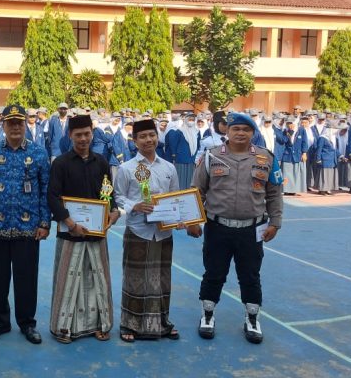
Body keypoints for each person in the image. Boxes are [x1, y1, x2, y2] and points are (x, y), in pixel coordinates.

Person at [187, 113, 283, 344]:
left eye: (246, 129)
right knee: (213, 273)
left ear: (253, 132)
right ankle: (207, 315)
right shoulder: (211, 157)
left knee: (250, 275)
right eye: (235, 128)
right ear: (226, 131)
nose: (240, 133)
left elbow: (274, 193)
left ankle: (252, 319)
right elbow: (196, 191)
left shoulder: (266, 158)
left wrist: (275, 222)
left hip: (252, 229)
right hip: (217, 227)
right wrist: (192, 221)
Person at [0, 105, 51, 345]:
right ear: (3, 125)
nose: (15, 127)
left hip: (28, 227)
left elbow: (45, 189)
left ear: (25, 124)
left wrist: (44, 222)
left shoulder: (39, 153)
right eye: (10, 123)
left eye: (19, 122)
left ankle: (27, 324)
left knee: (26, 279)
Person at [47, 114, 120, 344]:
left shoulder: (102, 162)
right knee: (68, 280)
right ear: (70, 135)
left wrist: (114, 211)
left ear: (92, 133)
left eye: (87, 133)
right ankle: (63, 328)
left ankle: (101, 325)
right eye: (78, 134)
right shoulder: (60, 163)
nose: (83, 138)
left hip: (97, 233)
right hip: (70, 232)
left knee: (98, 279)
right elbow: (52, 197)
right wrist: (70, 223)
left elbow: (108, 195)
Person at [114, 119, 181, 342]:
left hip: (163, 232)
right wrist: (135, 205)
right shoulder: (127, 168)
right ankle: (129, 325)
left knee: (162, 277)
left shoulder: (169, 168)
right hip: (138, 230)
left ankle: (162, 322)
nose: (148, 140)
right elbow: (118, 197)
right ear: (134, 141)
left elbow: (175, 198)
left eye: (151, 135)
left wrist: (180, 218)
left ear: (157, 136)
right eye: (142, 136)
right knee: (135, 277)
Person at [165, 113, 199, 189]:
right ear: (185, 120)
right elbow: (174, 144)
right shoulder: (179, 131)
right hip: (180, 159)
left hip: (192, 159)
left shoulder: (197, 132)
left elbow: (198, 145)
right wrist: (174, 155)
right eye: (189, 119)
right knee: (180, 180)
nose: (191, 121)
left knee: (190, 180)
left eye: (193, 120)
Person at [279, 117, 309, 195]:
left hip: (297, 154)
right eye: (288, 123)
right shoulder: (285, 131)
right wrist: (290, 132)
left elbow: (304, 142)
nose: (290, 125)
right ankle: (286, 190)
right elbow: (283, 141)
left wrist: (304, 153)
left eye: (291, 123)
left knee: (296, 173)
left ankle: (294, 190)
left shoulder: (301, 130)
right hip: (287, 154)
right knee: (286, 173)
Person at [314, 123, 339, 195]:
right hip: (325, 159)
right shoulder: (322, 138)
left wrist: (341, 156)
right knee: (324, 175)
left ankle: (327, 189)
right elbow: (319, 149)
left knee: (330, 176)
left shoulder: (334, 138)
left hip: (332, 159)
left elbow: (335, 149)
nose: (335, 131)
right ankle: (322, 190)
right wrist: (318, 159)